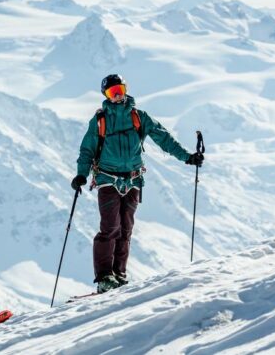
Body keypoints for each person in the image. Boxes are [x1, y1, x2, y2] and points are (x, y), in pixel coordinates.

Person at [71, 74, 204, 293]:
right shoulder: (99, 121)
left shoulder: (139, 117)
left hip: (133, 181)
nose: (117, 96)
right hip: (107, 180)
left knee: (126, 228)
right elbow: (87, 150)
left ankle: (119, 274)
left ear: (125, 90)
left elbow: (164, 139)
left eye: (120, 90)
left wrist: (187, 157)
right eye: (112, 93)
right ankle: (105, 277)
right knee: (110, 228)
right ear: (105, 95)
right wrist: (81, 175)